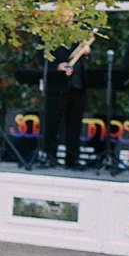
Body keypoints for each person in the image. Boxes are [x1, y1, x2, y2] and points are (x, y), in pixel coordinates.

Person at [40, 38, 91, 170]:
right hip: (58, 87)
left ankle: (72, 159)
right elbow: (42, 60)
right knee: (52, 124)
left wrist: (87, 54)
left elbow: (85, 63)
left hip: (78, 87)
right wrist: (58, 66)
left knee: (75, 126)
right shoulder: (51, 36)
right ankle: (50, 157)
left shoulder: (79, 37)